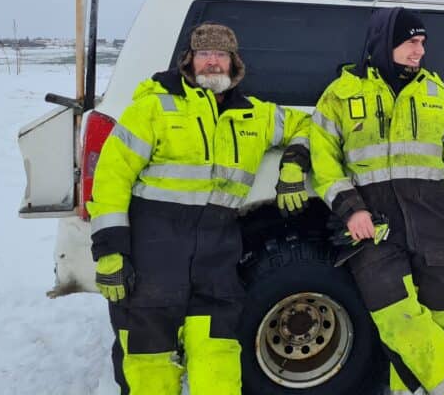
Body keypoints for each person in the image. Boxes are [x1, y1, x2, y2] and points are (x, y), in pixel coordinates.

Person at [87, 22, 311, 394]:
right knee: (148, 369)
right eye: (204, 54)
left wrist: (293, 166)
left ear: (234, 63)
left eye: (221, 54)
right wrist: (110, 253)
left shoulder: (255, 115)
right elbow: (111, 179)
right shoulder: (153, 108)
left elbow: (307, 125)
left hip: (215, 264)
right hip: (152, 262)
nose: (212, 62)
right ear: (189, 61)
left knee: (218, 364)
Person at [311, 7, 444, 395]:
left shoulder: (436, 93)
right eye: (411, 42)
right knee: (399, 321)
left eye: (422, 42)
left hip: (434, 226)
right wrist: (351, 209)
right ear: (384, 42)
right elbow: (323, 160)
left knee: (436, 325)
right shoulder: (341, 94)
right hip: (373, 228)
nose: (420, 50)